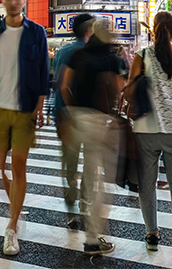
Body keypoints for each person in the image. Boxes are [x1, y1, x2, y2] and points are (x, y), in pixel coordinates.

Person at [0, 0, 49, 257]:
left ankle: (12, 225)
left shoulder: (37, 33)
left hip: (25, 108)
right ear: (2, 0)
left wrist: (41, 107)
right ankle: (15, 208)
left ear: (24, 0)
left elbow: (43, 73)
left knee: (19, 166)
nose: (15, 2)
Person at [126, 12, 172, 261]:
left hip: (147, 128)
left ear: (154, 30)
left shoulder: (142, 55)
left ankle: (152, 235)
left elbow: (129, 89)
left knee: (147, 185)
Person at [62, 19, 123, 256]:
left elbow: (65, 86)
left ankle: (84, 218)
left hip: (79, 118)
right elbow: (118, 92)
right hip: (101, 122)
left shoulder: (77, 55)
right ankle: (92, 239)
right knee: (101, 184)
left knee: (88, 172)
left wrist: (72, 111)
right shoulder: (112, 59)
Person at [54, 13, 95, 231]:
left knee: (70, 166)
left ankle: (71, 213)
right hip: (88, 117)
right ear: (89, 30)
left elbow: (57, 82)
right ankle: (85, 206)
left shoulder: (62, 51)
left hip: (64, 116)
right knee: (90, 164)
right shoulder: (92, 51)